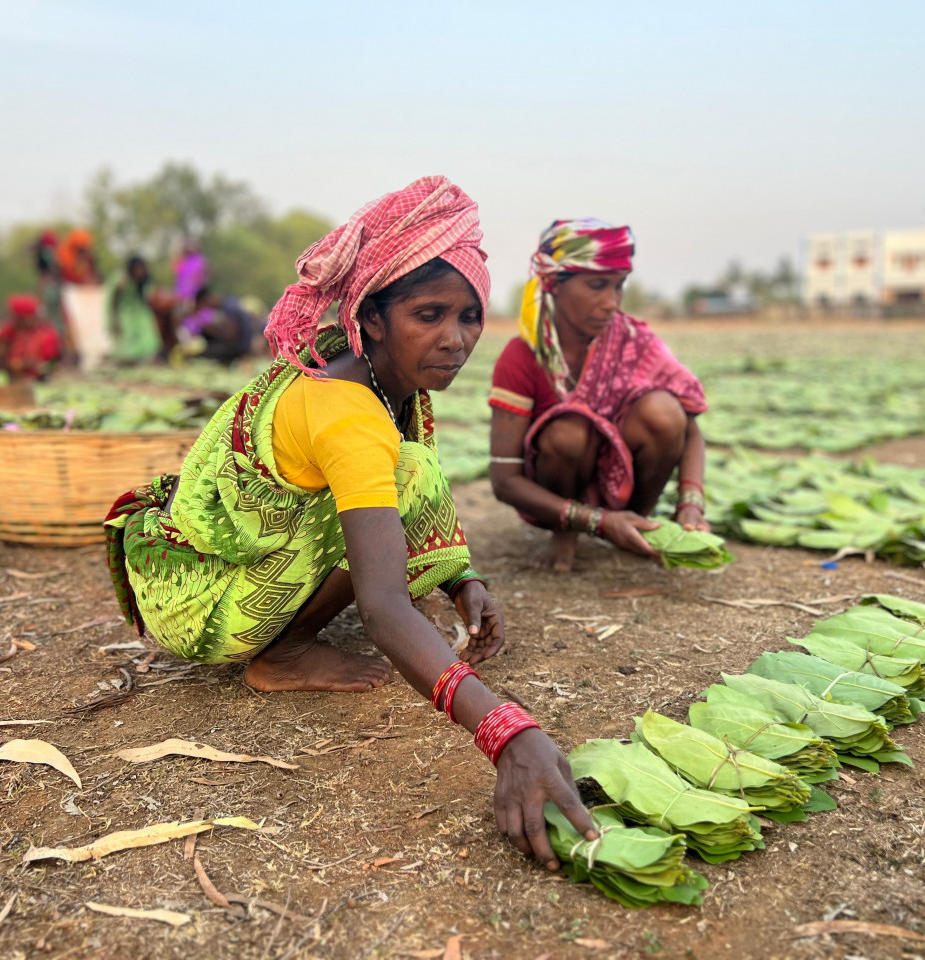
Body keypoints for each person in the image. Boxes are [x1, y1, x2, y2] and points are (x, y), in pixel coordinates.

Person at [104, 176, 596, 867]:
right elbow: (384, 605)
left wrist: (462, 582)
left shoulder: (372, 370)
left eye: (468, 317)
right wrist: (508, 732)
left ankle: (298, 625)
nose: (455, 340)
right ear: (371, 319)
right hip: (196, 597)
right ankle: (282, 652)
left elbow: (405, 492)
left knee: (410, 473)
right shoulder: (346, 405)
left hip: (227, 564)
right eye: (428, 315)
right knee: (406, 479)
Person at [488, 219, 709, 573]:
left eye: (618, 287)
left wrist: (691, 503)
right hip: (556, 487)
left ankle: (635, 520)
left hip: (625, 480)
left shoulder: (634, 342)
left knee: (665, 413)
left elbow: (691, 430)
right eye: (596, 286)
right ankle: (567, 531)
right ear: (554, 284)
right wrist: (595, 521)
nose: (611, 303)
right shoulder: (523, 356)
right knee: (569, 431)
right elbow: (504, 481)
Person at [0, 293, 62, 380]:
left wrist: (28, 364)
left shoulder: (45, 334)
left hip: (38, 376)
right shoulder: (9, 330)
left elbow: (51, 361)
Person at [104, 255, 162, 364]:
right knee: (127, 339)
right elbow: (113, 301)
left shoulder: (144, 282)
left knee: (147, 335)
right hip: (124, 312)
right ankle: (126, 360)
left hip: (140, 312)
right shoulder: (121, 280)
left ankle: (145, 359)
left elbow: (148, 298)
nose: (140, 272)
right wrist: (115, 319)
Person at [180, 286, 256, 364]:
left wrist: (210, 330)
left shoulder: (228, 307)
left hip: (239, 348)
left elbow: (230, 336)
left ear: (206, 300)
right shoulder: (228, 304)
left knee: (199, 353)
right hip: (241, 345)